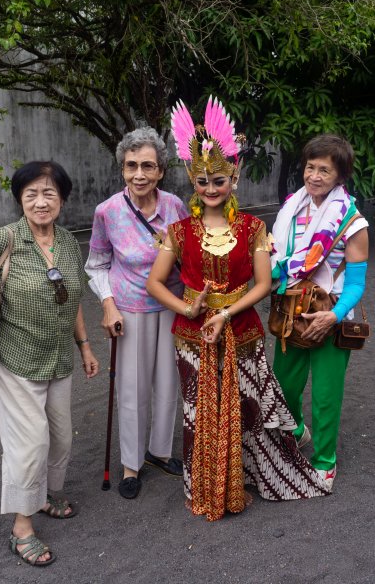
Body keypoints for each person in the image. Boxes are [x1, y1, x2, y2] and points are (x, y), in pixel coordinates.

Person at [146, 96, 329, 522]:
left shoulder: (252, 228)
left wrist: (225, 312)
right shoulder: (177, 230)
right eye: (203, 181)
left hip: (242, 328)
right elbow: (155, 283)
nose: (211, 189)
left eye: (219, 180)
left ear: (234, 179)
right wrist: (188, 308)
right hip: (192, 336)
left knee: (248, 404)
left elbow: (264, 284)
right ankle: (206, 482)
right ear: (193, 182)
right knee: (198, 410)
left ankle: (246, 473)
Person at [0, 161, 99, 566]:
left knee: (61, 437)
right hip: (15, 358)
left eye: (49, 194)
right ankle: (21, 527)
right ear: (19, 199)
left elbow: (74, 296)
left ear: (62, 199)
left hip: (59, 356)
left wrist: (84, 346)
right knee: (30, 442)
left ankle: (43, 494)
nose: (41, 202)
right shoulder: (3, 239)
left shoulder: (65, 241)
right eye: (31, 194)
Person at [85, 126, 188, 500]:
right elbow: (96, 264)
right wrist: (108, 305)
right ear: (122, 169)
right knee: (132, 388)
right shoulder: (107, 212)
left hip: (172, 307)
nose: (139, 174)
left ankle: (159, 451)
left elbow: (188, 256)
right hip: (129, 309)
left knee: (167, 382)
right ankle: (131, 463)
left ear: (161, 170)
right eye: (131, 166)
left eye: (148, 166)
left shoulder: (175, 206)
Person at [270, 133, 368, 491]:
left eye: (324, 170)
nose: (314, 176)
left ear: (340, 176)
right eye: (310, 167)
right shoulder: (290, 208)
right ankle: (296, 430)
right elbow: (276, 261)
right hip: (291, 312)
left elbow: (357, 283)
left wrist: (334, 316)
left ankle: (325, 460)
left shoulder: (352, 221)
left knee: (326, 394)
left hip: (331, 314)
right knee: (285, 386)